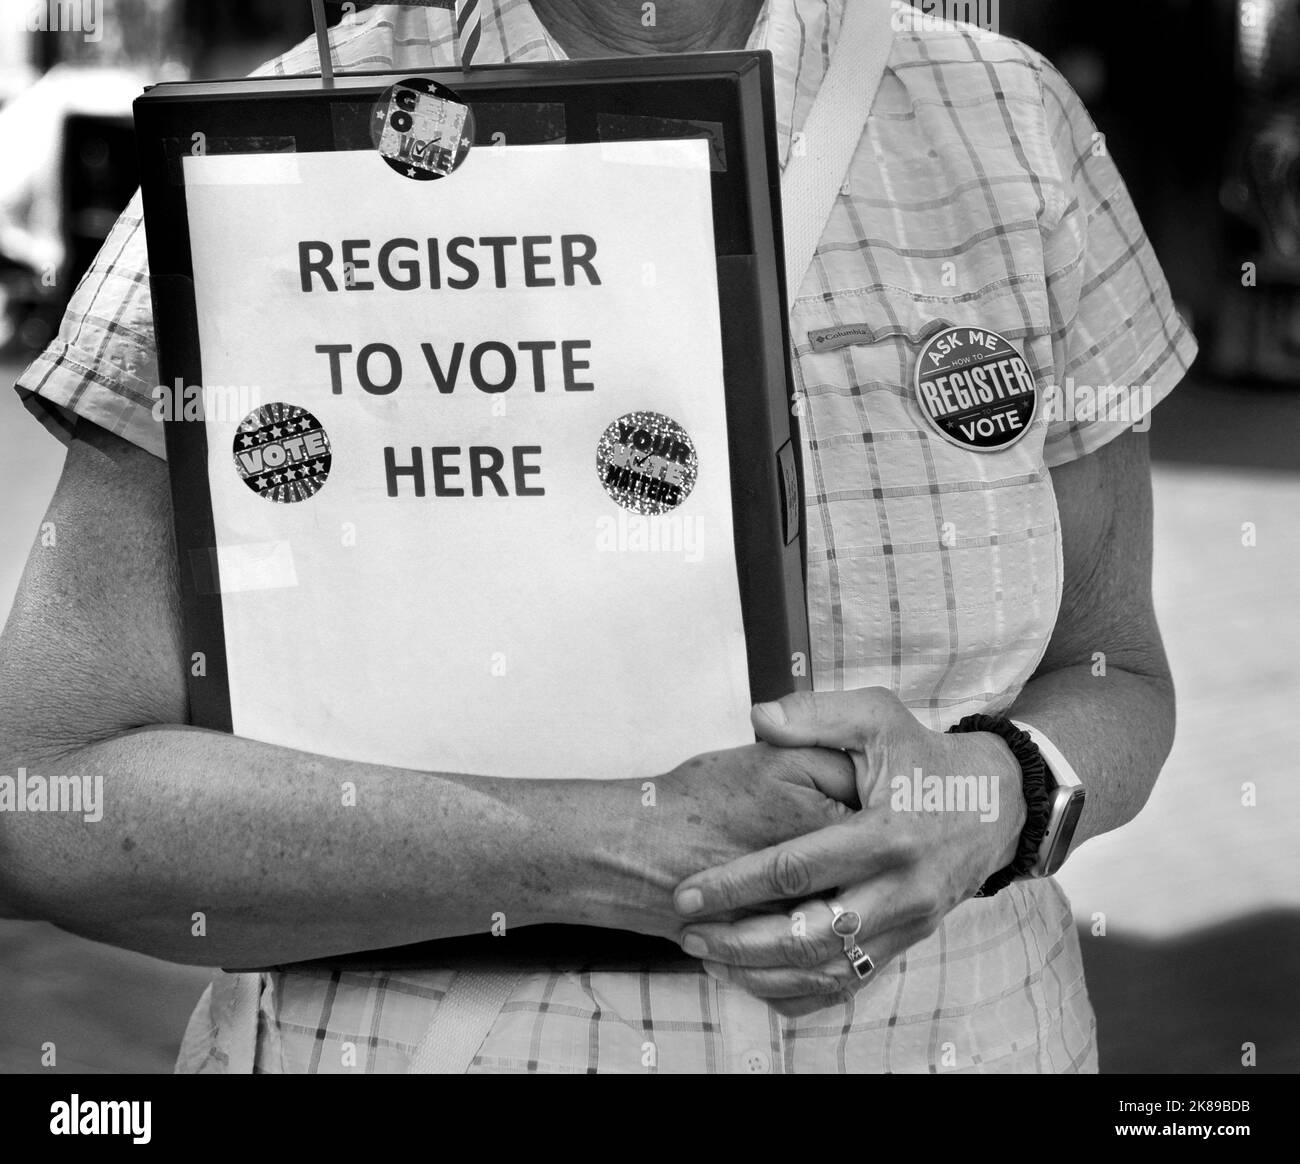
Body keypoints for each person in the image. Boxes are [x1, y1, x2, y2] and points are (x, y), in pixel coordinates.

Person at [0, 0, 1196, 1073]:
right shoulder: (277, 152)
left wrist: (1001, 790)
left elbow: (1115, 671)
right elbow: (46, 796)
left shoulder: (1003, 120)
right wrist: (607, 848)